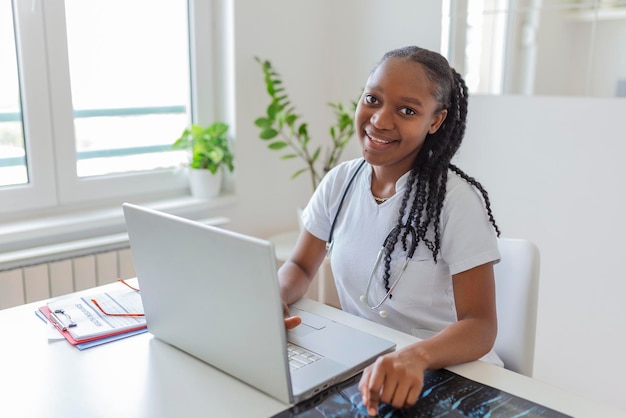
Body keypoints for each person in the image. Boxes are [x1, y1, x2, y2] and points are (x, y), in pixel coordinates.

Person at [278, 45, 502, 416]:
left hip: (446, 372)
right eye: (373, 99)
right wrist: (276, 296)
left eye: (407, 110)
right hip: (367, 366)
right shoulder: (340, 182)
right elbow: (301, 267)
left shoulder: (457, 201)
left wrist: (415, 356)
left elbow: (480, 326)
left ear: (435, 120)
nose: (380, 121)